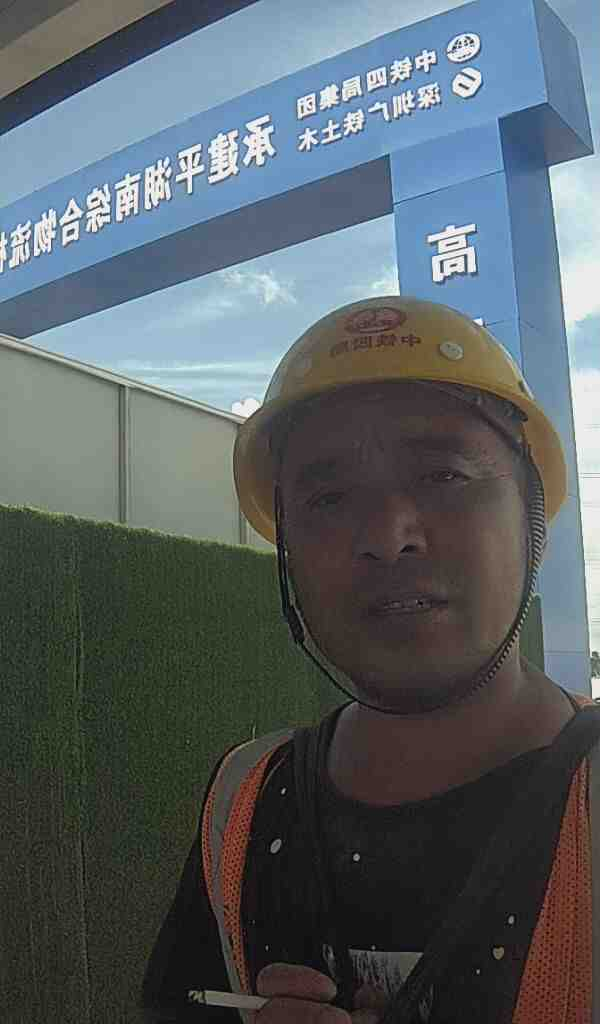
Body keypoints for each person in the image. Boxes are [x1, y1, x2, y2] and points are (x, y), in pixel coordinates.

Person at [142, 296, 600, 1024]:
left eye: (444, 476)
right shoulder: (245, 804)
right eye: (328, 497)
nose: (388, 536)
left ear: (531, 514)